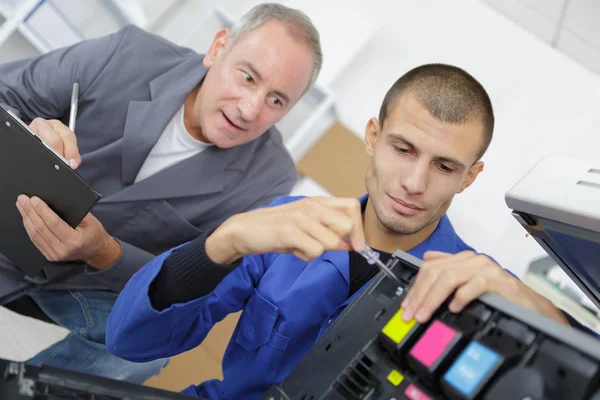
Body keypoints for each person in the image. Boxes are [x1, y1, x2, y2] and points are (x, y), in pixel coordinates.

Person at [106, 64, 574, 400]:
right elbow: (132, 341)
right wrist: (222, 242)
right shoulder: (285, 224)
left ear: (469, 177)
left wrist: (531, 307)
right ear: (373, 137)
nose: (414, 183)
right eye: (403, 149)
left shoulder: (480, 290)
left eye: (445, 166)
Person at [0, 3, 322, 383]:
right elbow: (8, 95)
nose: (251, 109)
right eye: (248, 77)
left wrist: (104, 252)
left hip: (79, 282)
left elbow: (195, 293)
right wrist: (31, 131)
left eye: (276, 101)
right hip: (8, 221)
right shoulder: (128, 54)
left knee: (142, 352)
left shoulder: (270, 180)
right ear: (218, 48)